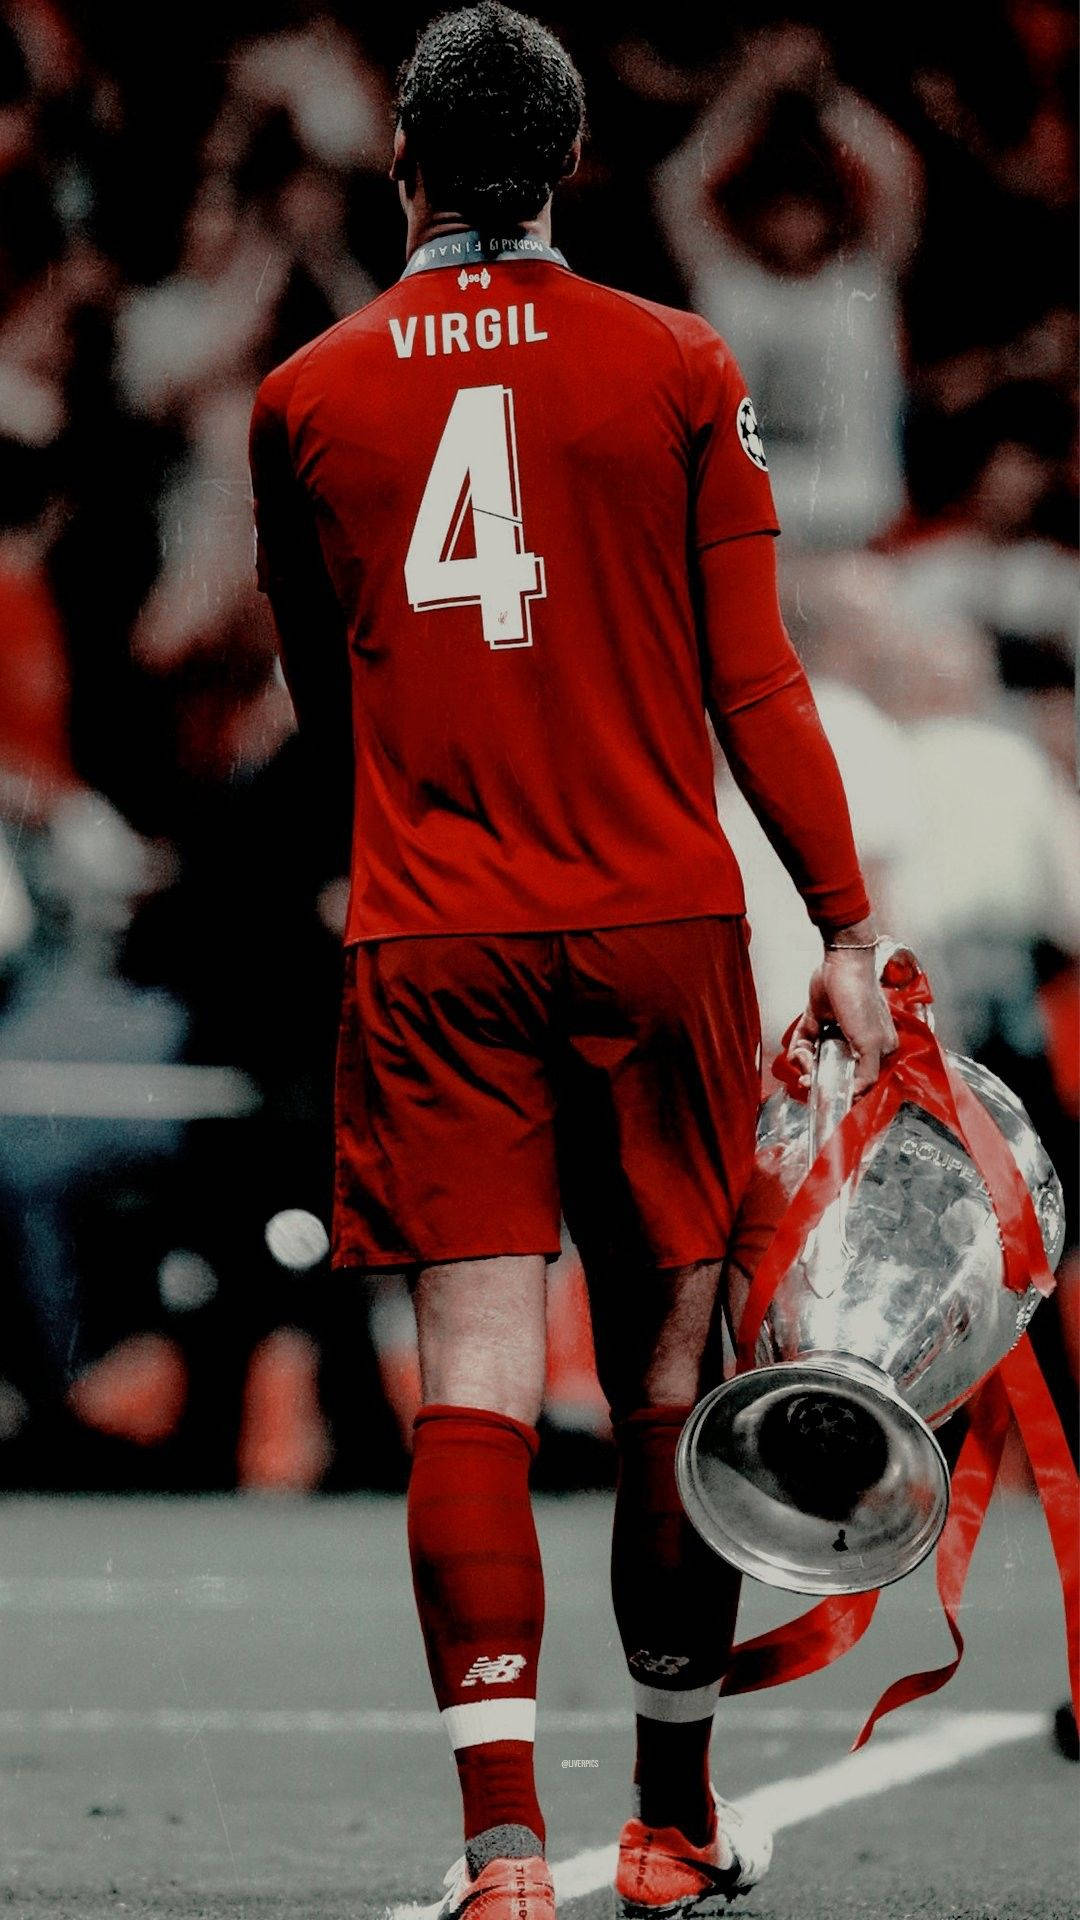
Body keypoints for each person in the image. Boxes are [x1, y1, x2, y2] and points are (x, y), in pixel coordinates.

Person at [248, 6, 896, 1915]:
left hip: (436, 931)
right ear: (576, 165)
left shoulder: (305, 398)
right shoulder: (678, 361)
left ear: (405, 165)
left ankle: (504, 1850)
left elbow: (325, 706)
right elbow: (754, 681)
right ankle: (673, 1823)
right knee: (669, 1375)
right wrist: (848, 925)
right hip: (656, 924)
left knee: (467, 1374)